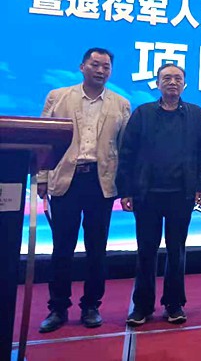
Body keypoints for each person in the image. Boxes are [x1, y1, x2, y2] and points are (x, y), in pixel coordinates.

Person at [37, 48, 131, 333]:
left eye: (106, 66)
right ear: (82, 67)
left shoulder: (121, 104)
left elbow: (125, 149)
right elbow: (44, 141)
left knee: (97, 249)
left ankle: (91, 306)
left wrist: (126, 187)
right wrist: (42, 178)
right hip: (67, 179)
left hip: (101, 183)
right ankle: (58, 308)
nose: (100, 70)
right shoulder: (58, 97)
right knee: (61, 248)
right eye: (95, 64)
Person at [116, 63, 201, 326]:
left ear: (185, 84)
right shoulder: (143, 113)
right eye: (167, 78)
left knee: (177, 251)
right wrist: (126, 189)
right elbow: (127, 152)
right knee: (146, 251)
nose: (172, 82)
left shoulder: (196, 114)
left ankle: (174, 304)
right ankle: (142, 306)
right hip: (147, 194)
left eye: (178, 78)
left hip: (182, 194)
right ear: (157, 83)